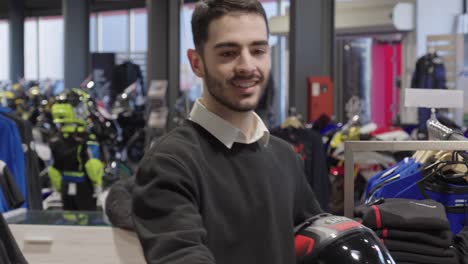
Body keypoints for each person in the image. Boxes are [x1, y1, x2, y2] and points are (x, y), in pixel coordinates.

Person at [132, 0, 322, 263]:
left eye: (258, 50)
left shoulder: (284, 156)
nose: (246, 66)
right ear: (196, 63)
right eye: (228, 53)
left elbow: (316, 241)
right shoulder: (170, 164)